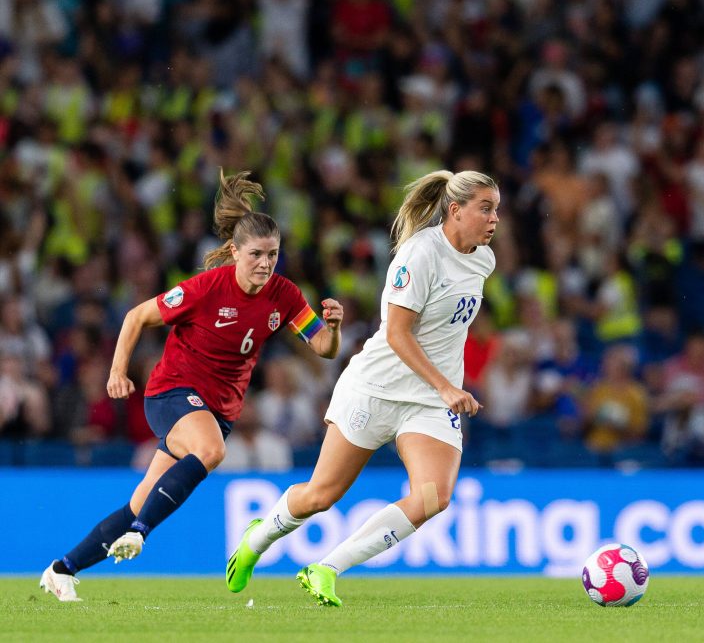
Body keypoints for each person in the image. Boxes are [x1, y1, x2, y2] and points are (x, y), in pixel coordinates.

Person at [39, 171, 344, 602]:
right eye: (256, 254)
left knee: (136, 505)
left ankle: (61, 569)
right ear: (235, 252)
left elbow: (323, 348)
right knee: (211, 452)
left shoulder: (285, 295)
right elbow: (135, 317)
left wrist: (333, 328)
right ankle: (142, 535)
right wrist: (117, 371)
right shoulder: (206, 288)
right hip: (171, 393)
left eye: (273, 255)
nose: (265, 264)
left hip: (218, 410)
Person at [225, 169, 499, 605]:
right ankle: (257, 539)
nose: (494, 219)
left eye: (496, 210)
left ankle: (326, 568)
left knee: (434, 497)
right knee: (321, 496)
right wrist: (449, 387)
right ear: (455, 210)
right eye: (485, 208)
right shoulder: (419, 254)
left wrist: (443, 389)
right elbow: (397, 334)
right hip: (376, 388)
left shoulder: (483, 259)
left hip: (427, 401)